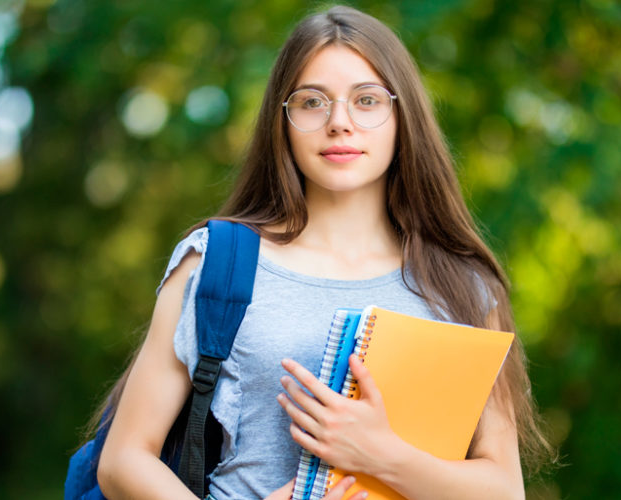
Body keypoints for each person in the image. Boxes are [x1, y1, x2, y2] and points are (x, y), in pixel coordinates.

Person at [94, 5, 552, 499]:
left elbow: (504, 489)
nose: (340, 122)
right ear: (283, 120)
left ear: (402, 117)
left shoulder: (462, 285)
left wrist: (381, 455)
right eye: (312, 102)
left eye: (367, 100)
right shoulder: (217, 262)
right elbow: (123, 461)